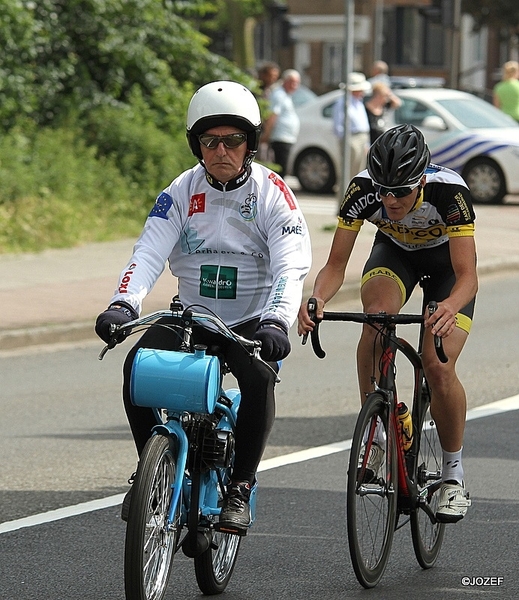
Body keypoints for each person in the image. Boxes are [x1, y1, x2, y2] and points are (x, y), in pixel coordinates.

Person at [95, 80, 312, 534]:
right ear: (197, 145)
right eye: (210, 141)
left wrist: (277, 320)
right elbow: (149, 252)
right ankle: (153, 472)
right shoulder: (180, 191)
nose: (221, 150)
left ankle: (240, 486)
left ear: (249, 143)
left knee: (257, 380)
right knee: (136, 368)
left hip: (251, 321)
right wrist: (123, 304)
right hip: (191, 316)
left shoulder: (273, 194)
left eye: (232, 140)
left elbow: (292, 265)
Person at [298, 124, 477, 523]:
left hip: (447, 270)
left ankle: (453, 476)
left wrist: (448, 306)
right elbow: (335, 265)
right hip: (394, 256)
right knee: (375, 321)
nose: (390, 200)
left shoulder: (450, 193)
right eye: (383, 190)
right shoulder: (362, 190)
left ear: (422, 181)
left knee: (438, 364)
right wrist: (318, 297)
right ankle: (378, 433)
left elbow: (468, 277)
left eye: (400, 191)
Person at [261, 69, 301, 178]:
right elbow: (272, 116)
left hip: (286, 138)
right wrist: (266, 136)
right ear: (285, 81)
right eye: (292, 82)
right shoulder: (278, 94)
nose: (295, 86)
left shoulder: (286, 95)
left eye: (297, 83)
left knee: (282, 168)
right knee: (280, 170)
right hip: (280, 138)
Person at [332, 72, 372, 176]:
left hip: (362, 137)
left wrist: (366, 143)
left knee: (358, 171)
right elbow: (338, 125)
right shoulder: (342, 102)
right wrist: (345, 141)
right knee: (348, 171)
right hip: (351, 138)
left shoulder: (358, 102)